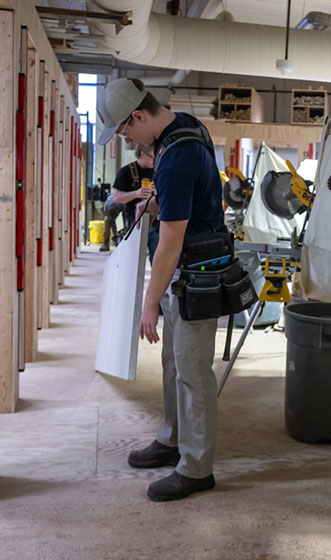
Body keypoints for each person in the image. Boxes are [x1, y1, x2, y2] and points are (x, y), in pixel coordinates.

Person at [97, 77, 224, 502]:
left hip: (197, 274)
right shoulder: (183, 128)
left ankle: (196, 468)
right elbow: (193, 199)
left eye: (124, 131)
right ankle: (171, 440)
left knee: (192, 372)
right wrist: (159, 202)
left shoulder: (175, 158)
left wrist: (149, 303)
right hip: (184, 271)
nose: (127, 140)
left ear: (138, 115)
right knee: (174, 363)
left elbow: (170, 242)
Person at [111, 144, 155, 232]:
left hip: (155, 218)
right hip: (134, 219)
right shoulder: (125, 172)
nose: (154, 161)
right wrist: (136, 194)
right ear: (142, 154)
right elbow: (117, 197)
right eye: (151, 157)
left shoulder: (158, 171)